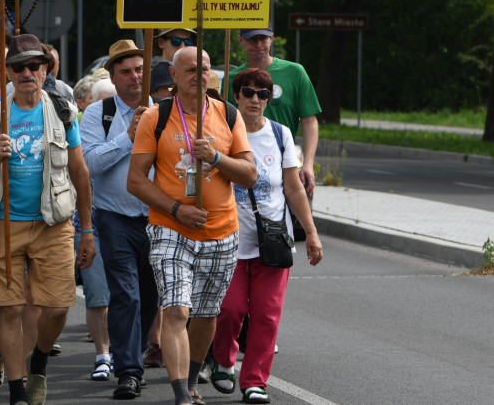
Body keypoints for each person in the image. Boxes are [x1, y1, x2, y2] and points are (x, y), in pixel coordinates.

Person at [0, 33, 96, 405]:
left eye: (34, 66)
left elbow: (80, 173)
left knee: (57, 307)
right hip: (3, 225)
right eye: (18, 66)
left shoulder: (61, 110)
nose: (27, 72)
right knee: (7, 308)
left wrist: (87, 230)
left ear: (46, 70)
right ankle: (18, 390)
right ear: (7, 72)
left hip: (53, 224)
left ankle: (38, 358)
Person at [126, 47, 257, 405]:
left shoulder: (229, 115)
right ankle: (181, 393)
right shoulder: (157, 117)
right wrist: (175, 209)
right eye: (190, 70)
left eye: (204, 69)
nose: (198, 76)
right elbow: (136, 181)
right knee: (177, 309)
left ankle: (195, 376)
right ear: (173, 74)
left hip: (222, 231)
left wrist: (215, 157)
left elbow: (249, 175)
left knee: (205, 313)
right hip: (171, 228)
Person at [210, 69, 323, 404]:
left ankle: (255, 381)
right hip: (229, 240)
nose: (255, 99)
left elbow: (293, 187)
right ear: (236, 97)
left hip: (272, 242)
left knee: (266, 314)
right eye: (248, 92)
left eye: (263, 94)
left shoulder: (280, 134)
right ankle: (224, 360)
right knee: (229, 309)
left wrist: (312, 233)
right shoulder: (223, 130)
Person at [80, 40, 158, 399]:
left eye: (140, 70)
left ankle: (135, 352)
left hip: (159, 218)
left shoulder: (168, 111)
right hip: (115, 218)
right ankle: (128, 369)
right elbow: (90, 165)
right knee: (125, 295)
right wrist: (129, 137)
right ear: (113, 77)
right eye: (125, 71)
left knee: (151, 294)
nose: (134, 77)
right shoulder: (100, 113)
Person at [231, 27, 322, 197]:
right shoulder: (234, 79)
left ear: (271, 38)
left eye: (263, 39)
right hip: (246, 164)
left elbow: (309, 121)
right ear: (241, 40)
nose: (258, 44)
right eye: (252, 39)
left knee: (297, 218)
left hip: (286, 164)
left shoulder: (295, 73)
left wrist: (308, 164)